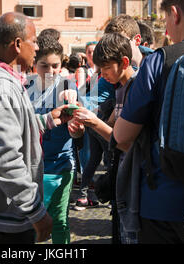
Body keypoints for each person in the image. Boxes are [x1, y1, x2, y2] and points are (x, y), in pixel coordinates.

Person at [0, 12, 70, 244]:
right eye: (34, 40)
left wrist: (47, 119)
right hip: (3, 219)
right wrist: (37, 213)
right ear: (18, 44)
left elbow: (11, 132)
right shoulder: (0, 90)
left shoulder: (4, 84)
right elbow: (5, 160)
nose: (37, 47)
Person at [111, 0, 184, 244]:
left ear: (175, 13)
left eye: (167, 21)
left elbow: (122, 138)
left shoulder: (159, 61)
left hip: (165, 204)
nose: (167, 30)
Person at [73, 32, 138, 243]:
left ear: (124, 62)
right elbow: (113, 126)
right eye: (100, 69)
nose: (104, 74)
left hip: (134, 179)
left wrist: (95, 122)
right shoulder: (120, 88)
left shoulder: (137, 88)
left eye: (107, 68)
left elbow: (125, 141)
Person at [26, 31, 84, 244]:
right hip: (31, 167)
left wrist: (76, 127)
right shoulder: (25, 87)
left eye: (55, 66)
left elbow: (78, 132)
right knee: (30, 224)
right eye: (44, 65)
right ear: (34, 63)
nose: (50, 71)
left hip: (60, 165)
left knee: (59, 221)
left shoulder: (67, 86)